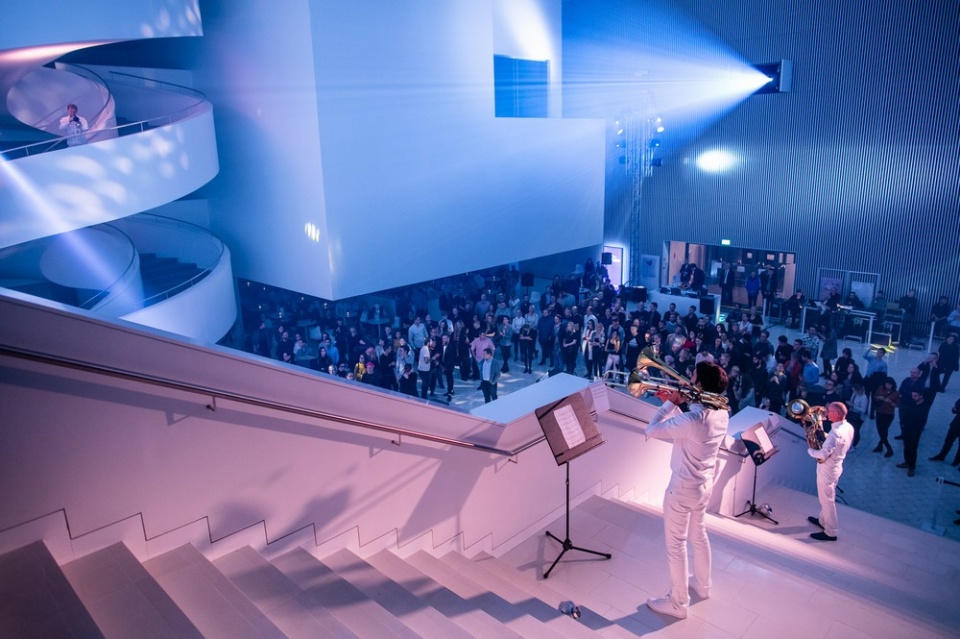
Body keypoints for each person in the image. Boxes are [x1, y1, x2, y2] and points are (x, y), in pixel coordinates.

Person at [631, 361, 729, 619]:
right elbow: (689, 429)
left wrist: (669, 404)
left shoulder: (694, 418)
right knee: (699, 535)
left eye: (693, 376)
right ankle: (703, 585)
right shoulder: (721, 412)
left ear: (700, 385)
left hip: (683, 487)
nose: (688, 379)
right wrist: (677, 403)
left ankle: (677, 603)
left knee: (676, 545)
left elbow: (651, 430)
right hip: (704, 485)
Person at [807, 402, 854, 541]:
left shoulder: (835, 433)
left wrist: (810, 450)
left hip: (827, 469)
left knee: (827, 500)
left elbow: (822, 454)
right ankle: (822, 521)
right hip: (836, 467)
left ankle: (831, 532)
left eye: (829, 411)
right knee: (826, 497)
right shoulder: (848, 427)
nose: (826, 413)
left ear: (837, 414)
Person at [897, 389, 932, 477]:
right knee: (906, 446)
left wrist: (915, 429)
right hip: (907, 429)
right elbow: (906, 413)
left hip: (915, 431)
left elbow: (922, 421)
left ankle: (911, 467)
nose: (913, 397)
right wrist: (903, 424)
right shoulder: (912, 403)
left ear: (921, 396)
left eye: (915, 396)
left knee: (912, 448)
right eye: (913, 396)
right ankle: (907, 462)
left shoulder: (924, 407)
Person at [872, 377, 899, 457]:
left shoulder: (896, 393)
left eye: (889, 385)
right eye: (886, 384)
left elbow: (897, 405)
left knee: (883, 430)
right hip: (879, 412)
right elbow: (875, 396)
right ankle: (880, 445)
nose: (887, 386)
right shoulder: (880, 388)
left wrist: (890, 401)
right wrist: (879, 398)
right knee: (881, 430)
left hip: (888, 414)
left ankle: (888, 447)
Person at [929, 398, 960, 466]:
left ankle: (956, 460)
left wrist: (955, 409)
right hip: (956, 424)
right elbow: (954, 410)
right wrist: (955, 408)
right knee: (948, 441)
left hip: (956, 424)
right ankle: (945, 456)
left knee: (949, 441)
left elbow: (954, 410)